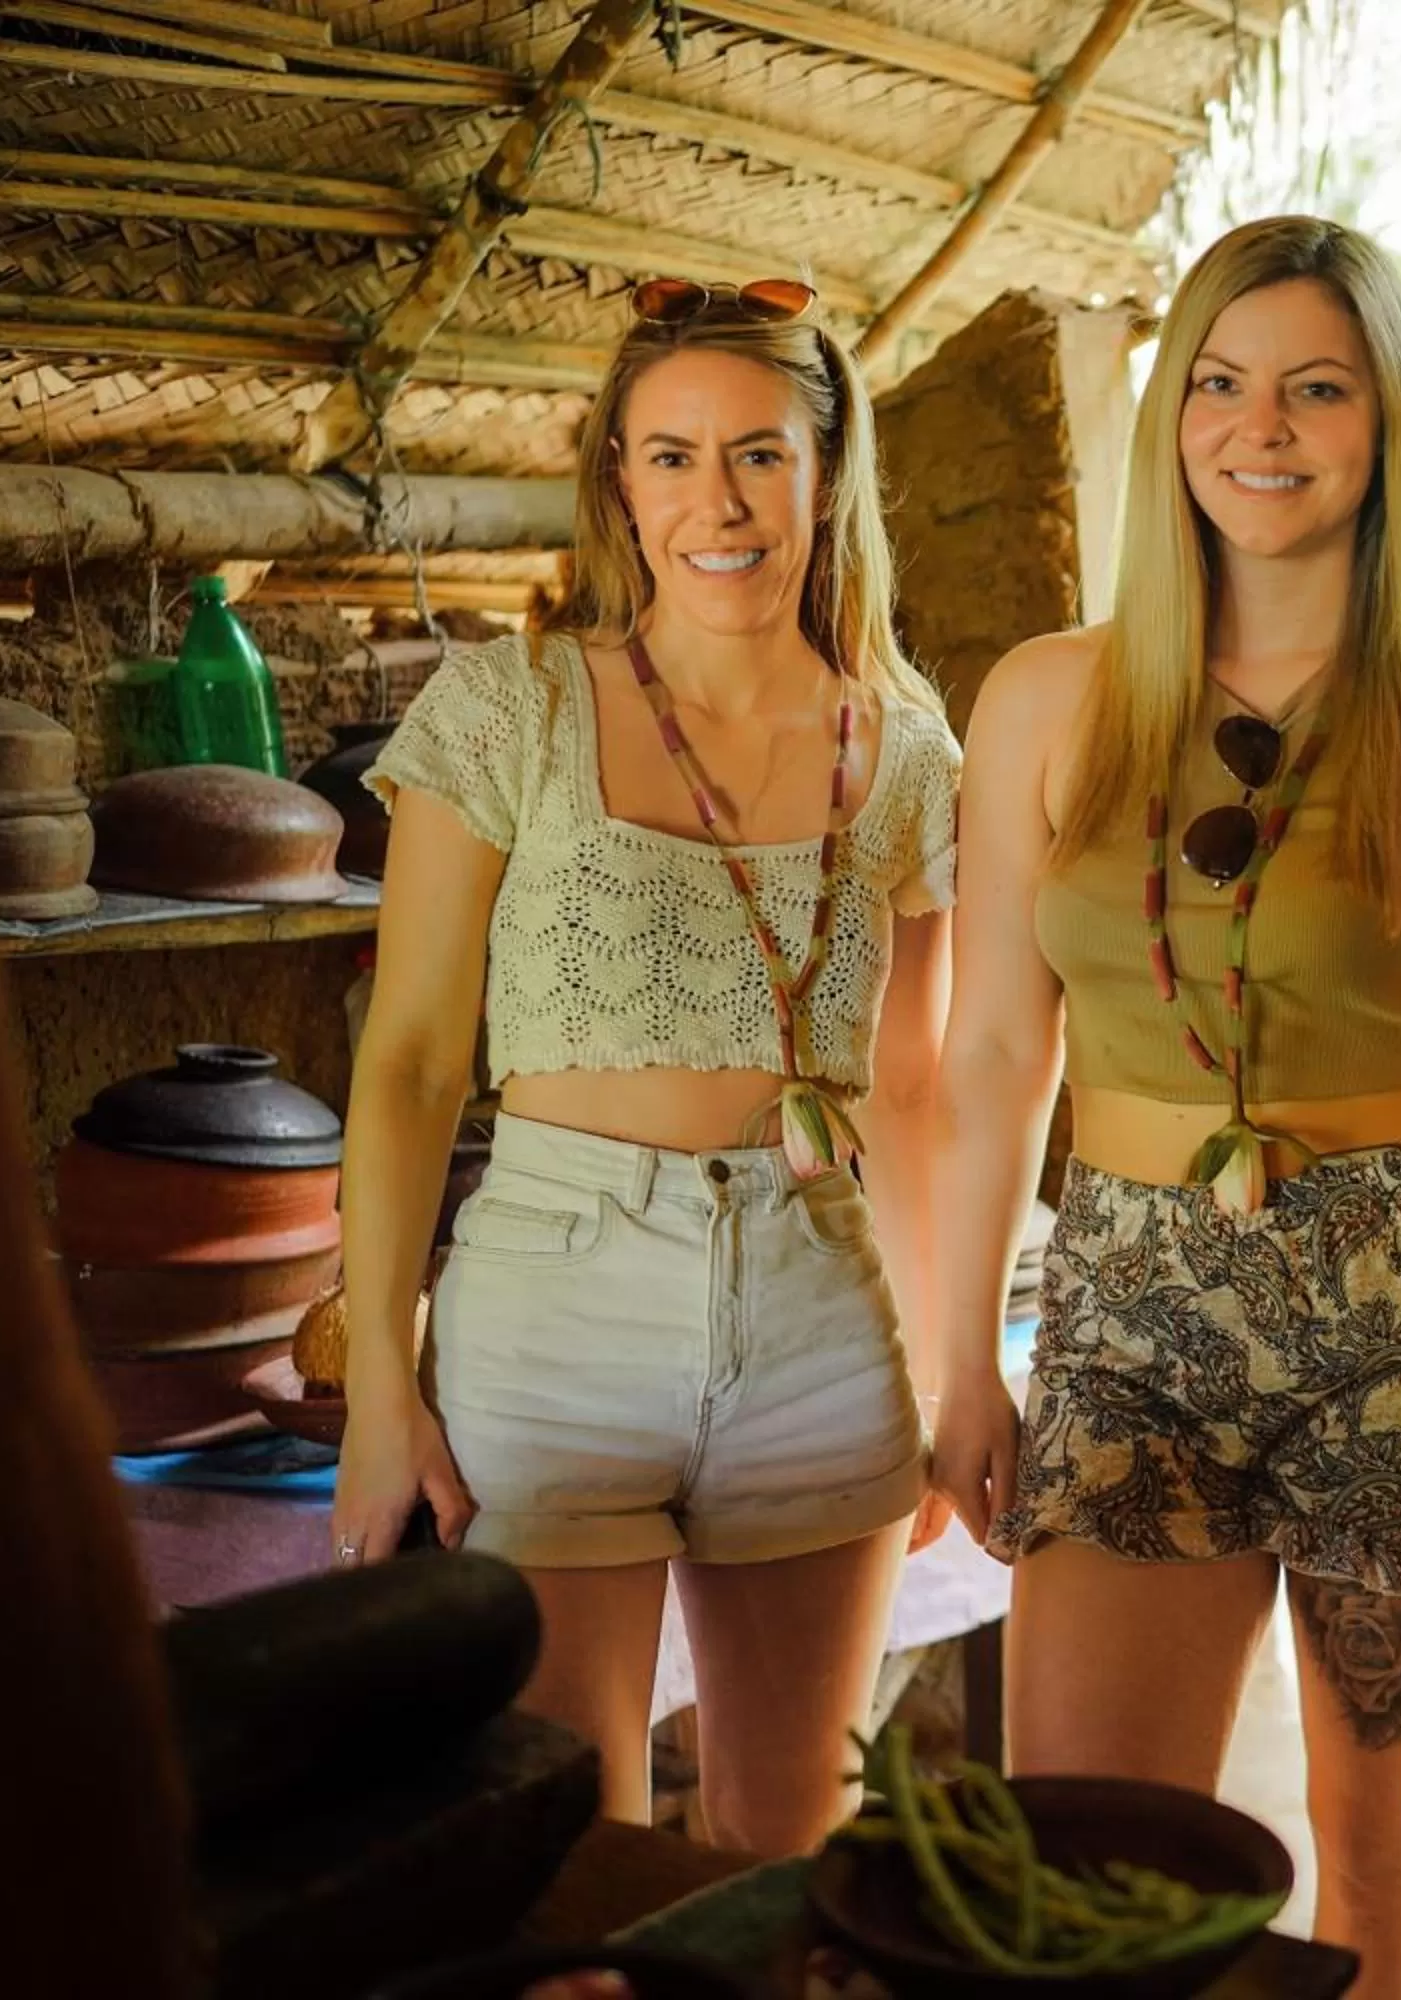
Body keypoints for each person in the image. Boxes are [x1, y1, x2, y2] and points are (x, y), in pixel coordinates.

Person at [915, 215, 1401, 1997]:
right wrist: (961, 1358)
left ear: (1386, 426)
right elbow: (993, 1050)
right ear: (1172, 419)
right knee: (1083, 1866)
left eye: (1315, 387)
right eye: (1217, 383)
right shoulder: (1048, 696)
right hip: (1126, 1308)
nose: (1260, 427)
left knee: (1383, 1881)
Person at [331, 275, 961, 1855]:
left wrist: (959, 1375)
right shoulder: (509, 710)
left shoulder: (910, 751)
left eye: (757, 454)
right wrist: (379, 1394)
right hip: (554, 1295)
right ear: (620, 480)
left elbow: (922, 1092)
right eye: (669, 456)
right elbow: (408, 1065)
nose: (716, 502)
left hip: (821, 1306)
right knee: (564, 1840)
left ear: (827, 476)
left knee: (789, 1834)